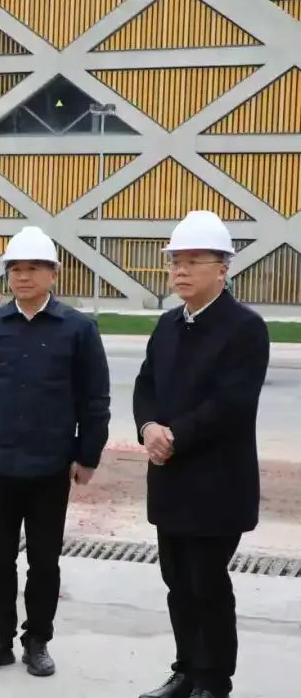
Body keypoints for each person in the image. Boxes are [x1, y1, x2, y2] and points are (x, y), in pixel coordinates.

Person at [0, 226, 111, 678]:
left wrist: (88, 455)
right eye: (15, 270)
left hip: (50, 466)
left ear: (53, 274)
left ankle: (37, 640)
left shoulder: (78, 329)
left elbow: (94, 398)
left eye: (33, 269)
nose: (23, 277)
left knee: (44, 561)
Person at [133, 210, 269, 698]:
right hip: (169, 479)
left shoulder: (245, 329)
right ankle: (186, 670)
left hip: (216, 483)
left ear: (222, 269)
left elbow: (231, 403)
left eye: (193, 261)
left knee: (207, 583)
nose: (181, 271)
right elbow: (146, 384)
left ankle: (213, 681)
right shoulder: (168, 325)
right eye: (175, 262)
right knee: (177, 583)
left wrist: (175, 435)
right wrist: (148, 427)